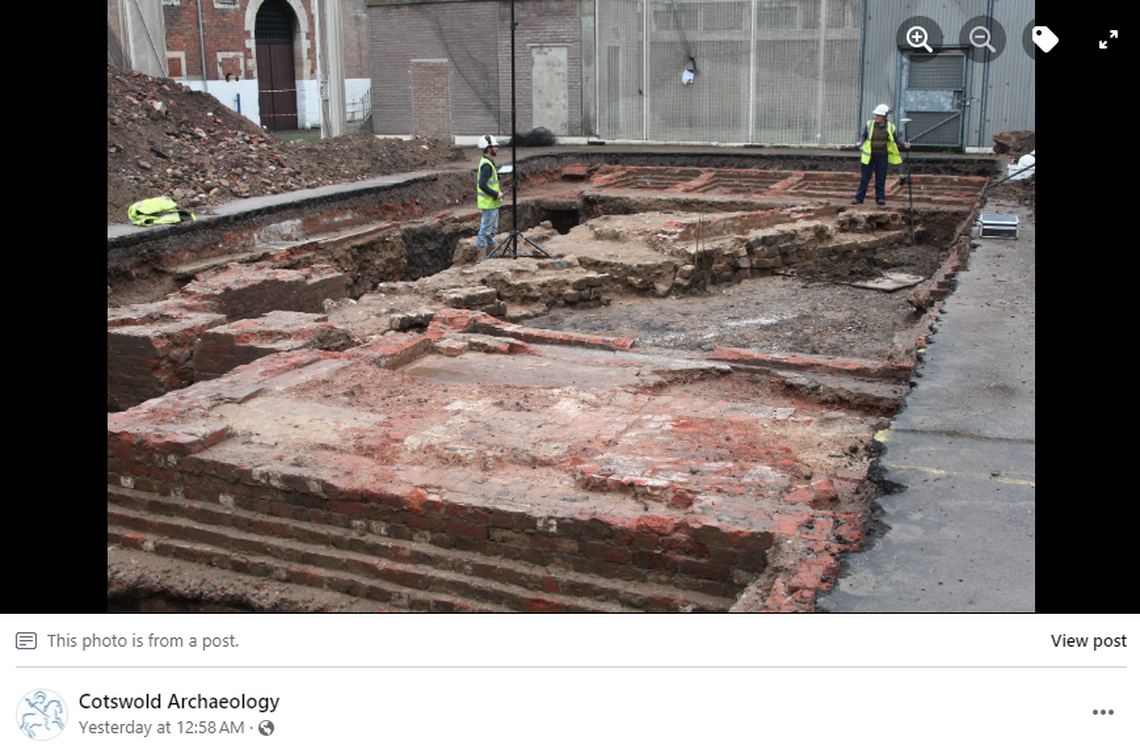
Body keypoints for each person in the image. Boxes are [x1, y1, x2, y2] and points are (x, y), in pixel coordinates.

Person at [852, 104, 910, 205]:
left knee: (881, 177)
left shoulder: (890, 127)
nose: (876, 117)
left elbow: (896, 139)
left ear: (884, 116)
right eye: (876, 115)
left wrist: (904, 144)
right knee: (865, 178)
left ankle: (880, 198)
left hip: (882, 155)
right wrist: (860, 142)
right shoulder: (870, 124)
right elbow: (863, 136)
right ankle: (859, 198)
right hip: (869, 156)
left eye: (879, 115)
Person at [476, 135, 504, 255]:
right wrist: (495, 194)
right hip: (489, 203)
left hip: (493, 203)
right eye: (494, 146)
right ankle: (481, 256)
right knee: (485, 231)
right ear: (488, 148)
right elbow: (482, 185)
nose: (496, 148)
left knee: (492, 230)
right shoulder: (486, 165)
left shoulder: (489, 163)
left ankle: (492, 252)